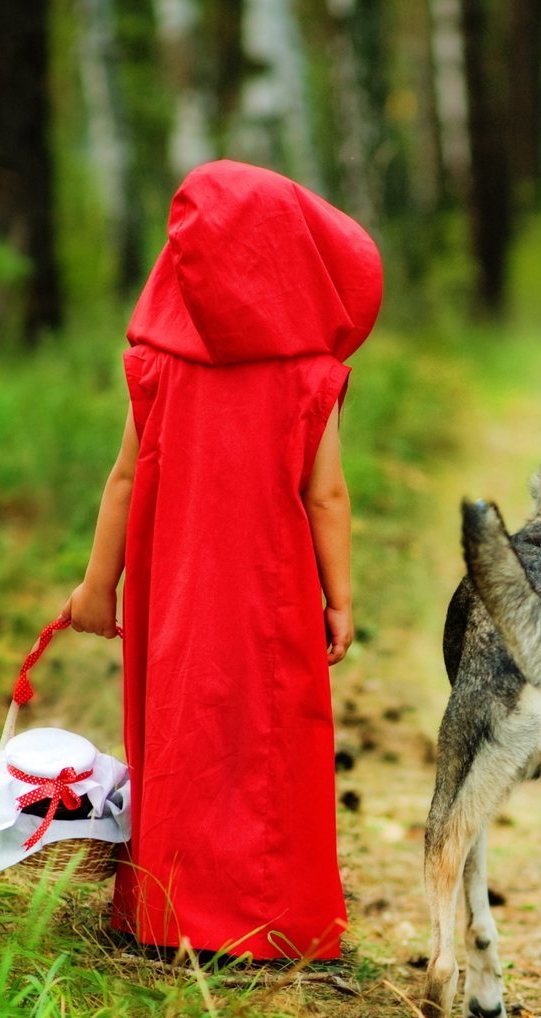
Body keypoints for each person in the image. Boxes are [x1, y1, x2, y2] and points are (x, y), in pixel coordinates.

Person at [62, 160, 382, 961]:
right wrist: (338, 597)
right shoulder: (309, 375)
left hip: (175, 596)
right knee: (268, 744)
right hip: (271, 604)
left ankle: (165, 915)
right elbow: (327, 496)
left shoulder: (157, 365)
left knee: (181, 739)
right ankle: (271, 924)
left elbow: (127, 478)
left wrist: (99, 585)